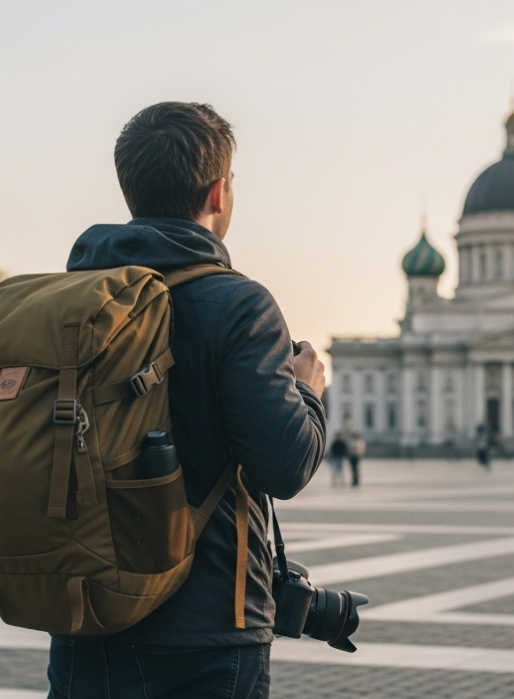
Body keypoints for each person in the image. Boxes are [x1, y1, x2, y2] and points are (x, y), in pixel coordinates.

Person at [51, 102, 326, 699]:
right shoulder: (239, 306)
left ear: (131, 190)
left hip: (86, 611)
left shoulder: (71, 300)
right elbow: (285, 466)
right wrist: (308, 390)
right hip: (207, 626)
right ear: (219, 192)